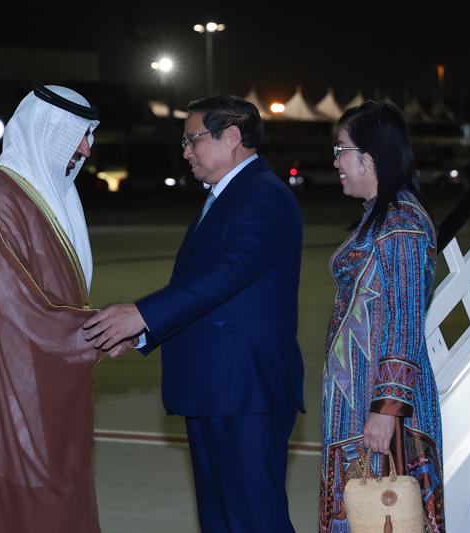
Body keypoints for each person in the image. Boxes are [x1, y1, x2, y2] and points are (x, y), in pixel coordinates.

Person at [84, 95, 304, 533]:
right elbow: (204, 292)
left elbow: (228, 274)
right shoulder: (228, 195)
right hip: (216, 388)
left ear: (233, 137)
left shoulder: (263, 195)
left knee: (254, 520)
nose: (185, 151)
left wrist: (142, 315)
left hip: (244, 392)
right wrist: (145, 333)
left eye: (193, 139)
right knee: (221, 520)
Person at [0, 83, 128, 533]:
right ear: (48, 132)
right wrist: (98, 332)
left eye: (90, 136)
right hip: (8, 398)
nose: (85, 148)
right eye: (78, 135)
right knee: (29, 511)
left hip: (48, 391)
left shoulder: (48, 193)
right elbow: (15, 303)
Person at [319, 100, 444, 533]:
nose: (336, 161)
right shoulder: (379, 219)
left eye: (341, 151)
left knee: (386, 514)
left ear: (369, 157)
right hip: (359, 402)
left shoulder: (401, 225)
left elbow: (404, 322)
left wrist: (386, 409)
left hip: (380, 410)